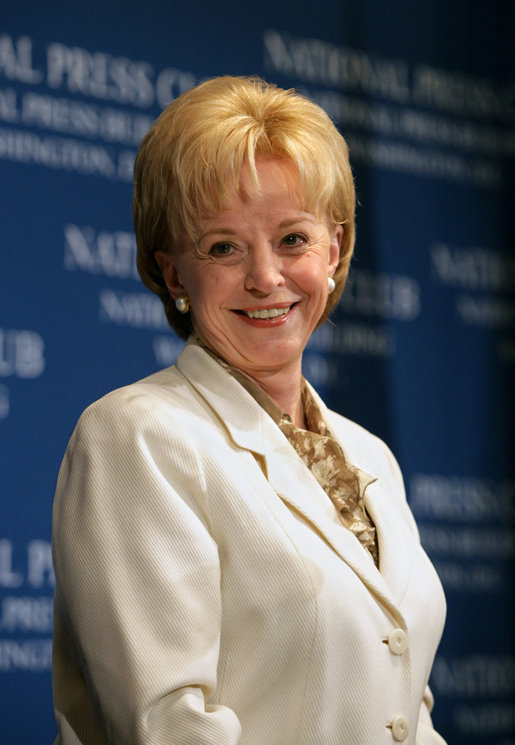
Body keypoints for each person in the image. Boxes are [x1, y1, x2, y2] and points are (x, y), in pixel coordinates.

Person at [52, 75, 447, 745]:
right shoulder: (137, 436)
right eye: (223, 247)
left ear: (335, 249)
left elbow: (403, 709)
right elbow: (167, 728)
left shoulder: (367, 455)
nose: (265, 277)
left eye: (292, 239)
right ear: (175, 273)